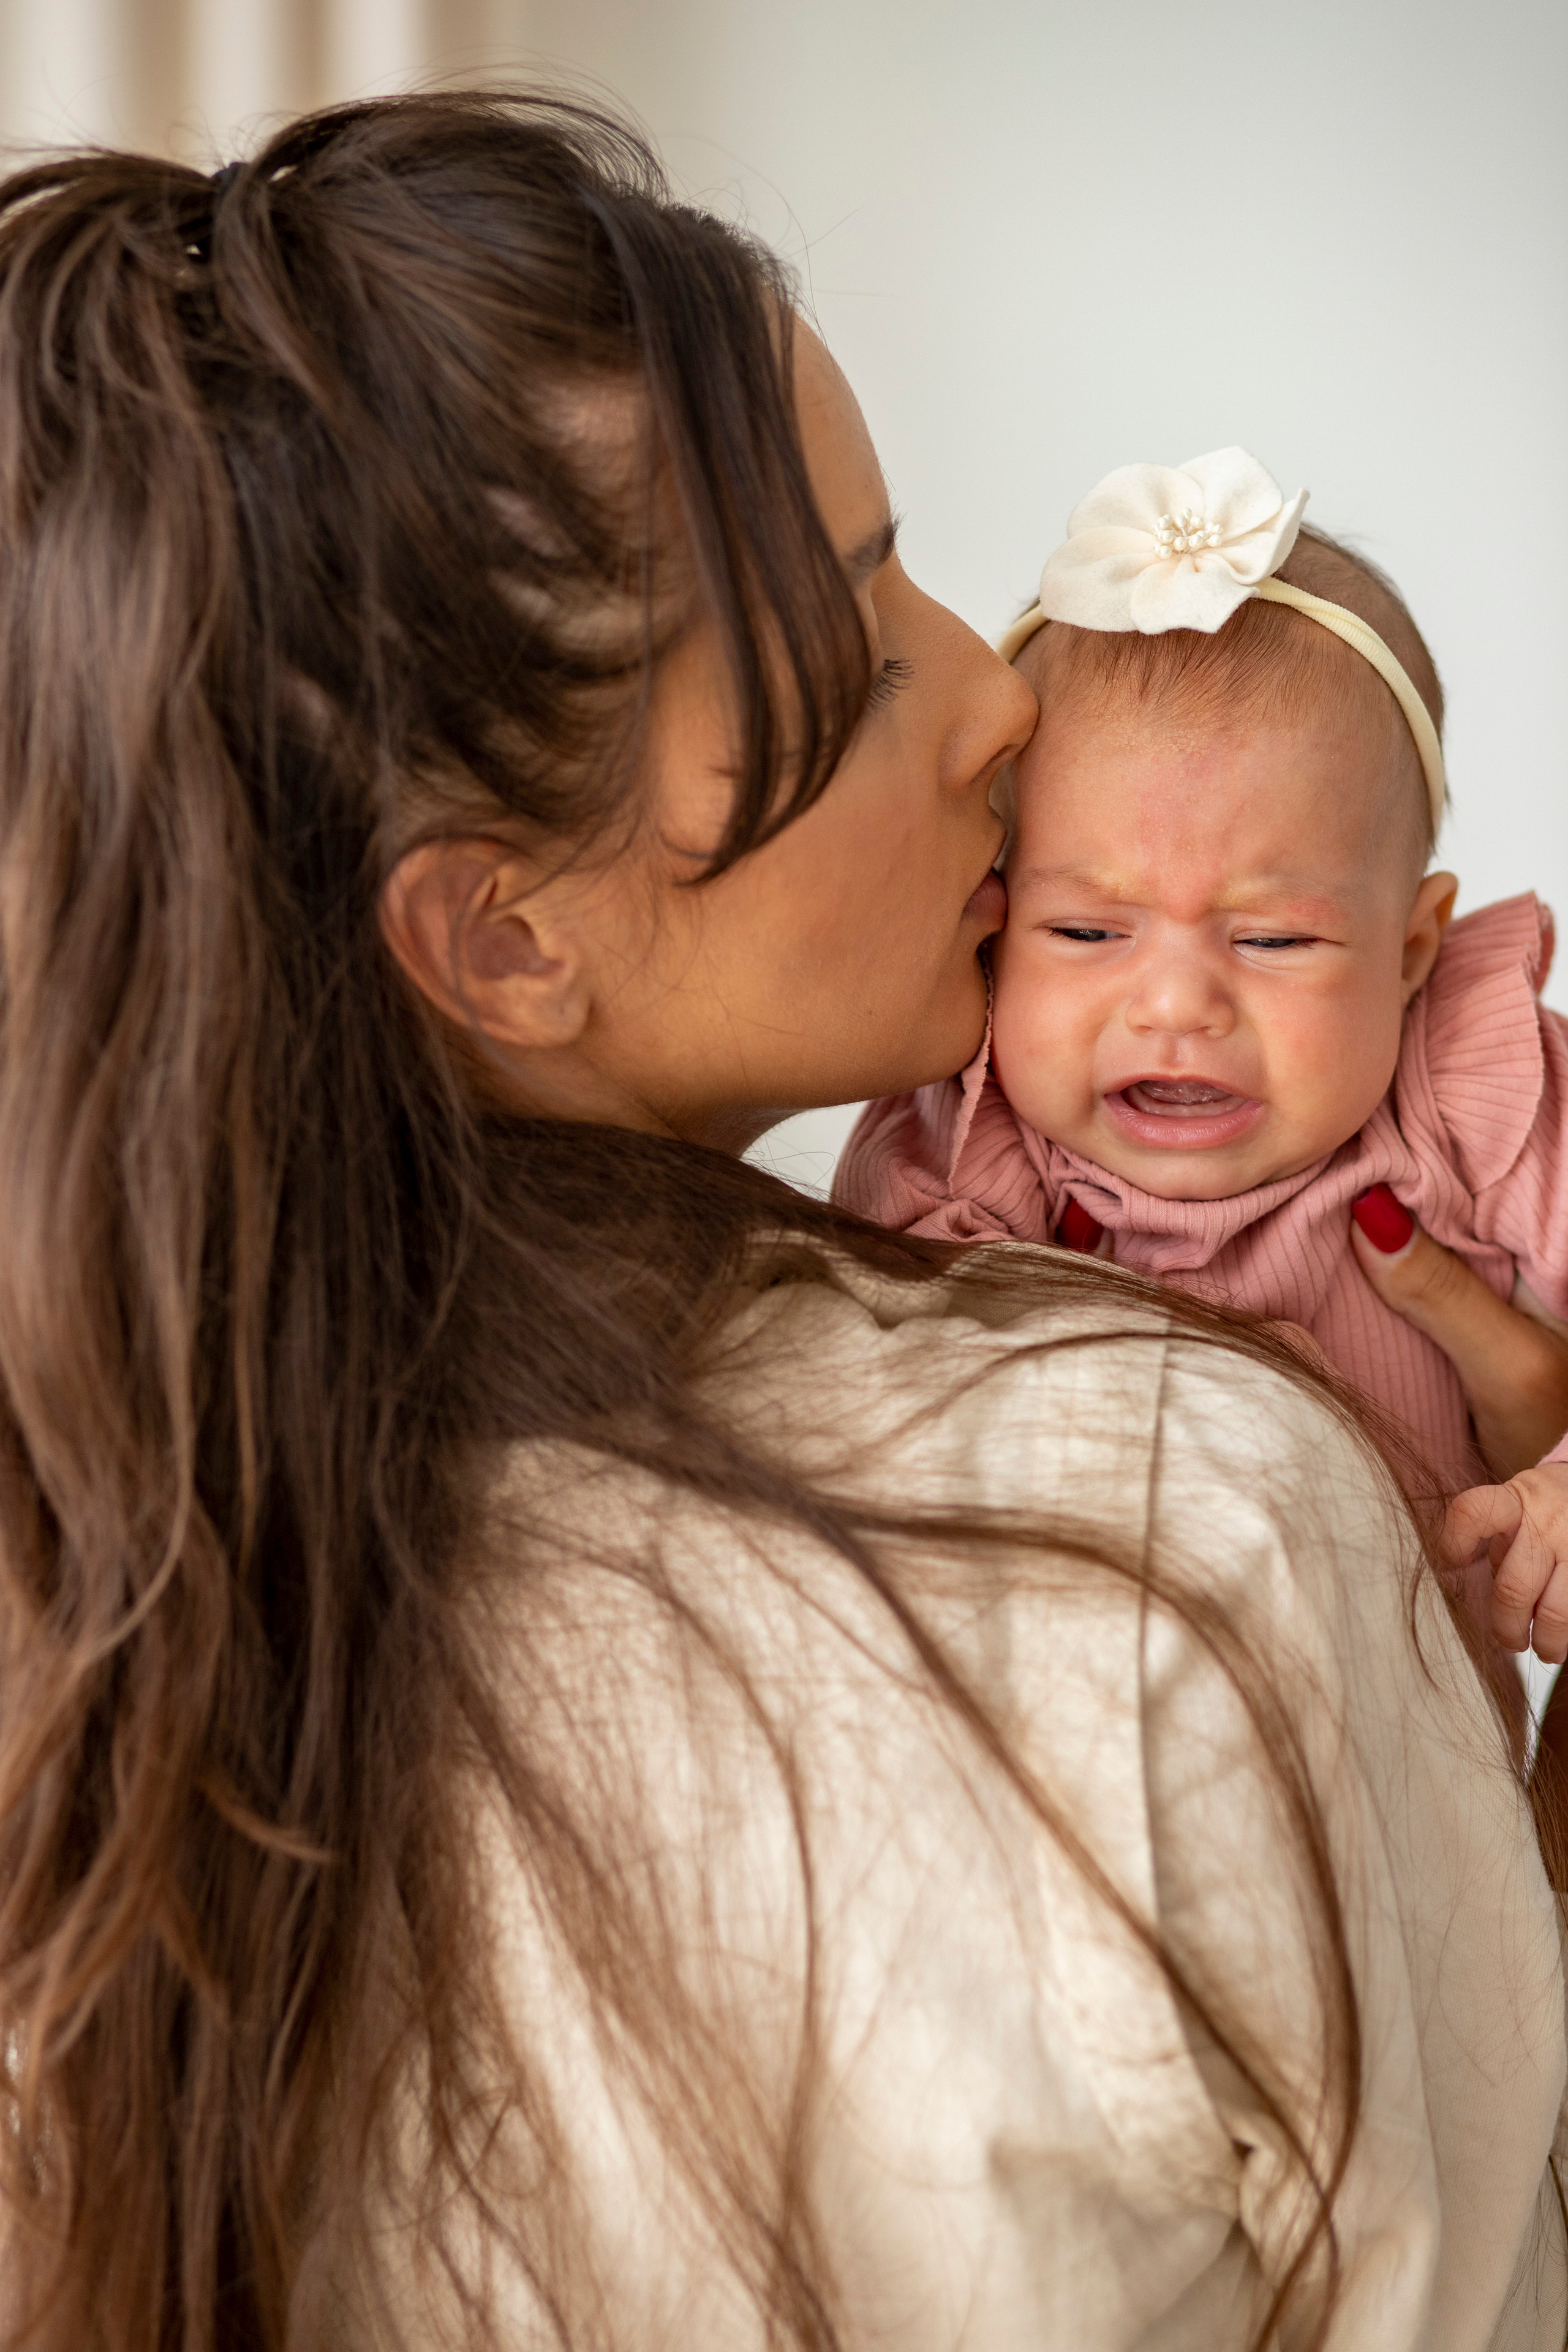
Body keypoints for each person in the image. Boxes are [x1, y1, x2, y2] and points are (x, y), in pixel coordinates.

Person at [0, 91, 1562, 2352]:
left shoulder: (97, 1560)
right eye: (861, 627)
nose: (1007, 693)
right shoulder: (1169, 1534)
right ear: (504, 941)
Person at [838, 452, 1568, 1677]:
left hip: (1419, 1782)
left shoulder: (1457, 1087)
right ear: (994, 916)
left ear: (1409, 949)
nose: (1175, 1003)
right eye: (1084, 932)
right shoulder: (967, 1143)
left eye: (1271, 938)